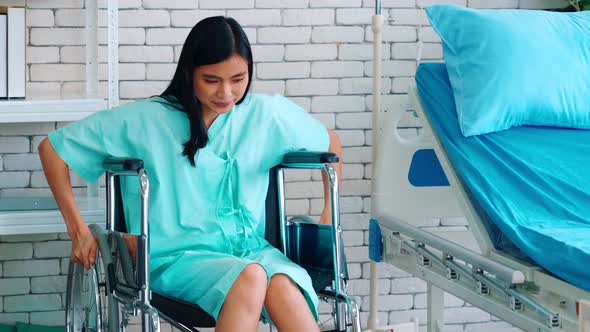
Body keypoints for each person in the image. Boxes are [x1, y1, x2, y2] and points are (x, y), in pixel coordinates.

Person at [38, 16, 342, 332]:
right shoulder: (146, 119)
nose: (226, 92)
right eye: (212, 80)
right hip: (175, 258)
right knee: (251, 276)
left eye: (238, 79)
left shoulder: (266, 115)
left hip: (250, 252)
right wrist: (78, 231)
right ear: (189, 73)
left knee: (283, 285)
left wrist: (326, 214)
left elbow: (331, 142)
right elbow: (53, 149)